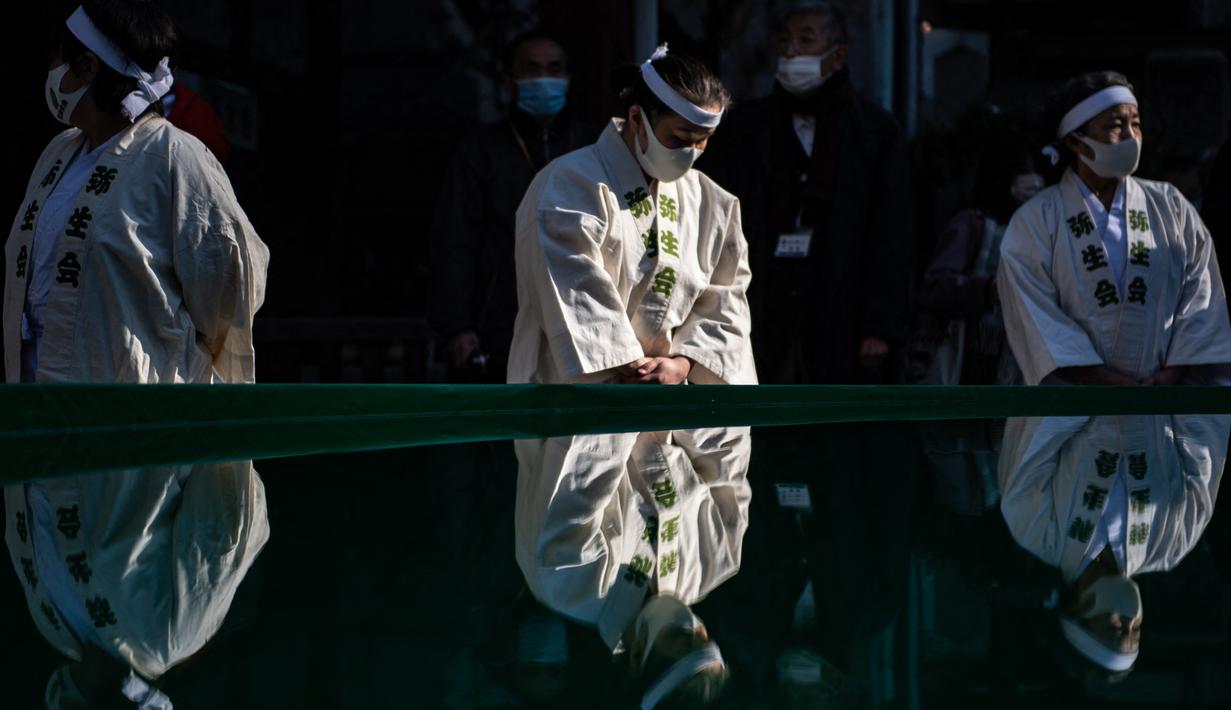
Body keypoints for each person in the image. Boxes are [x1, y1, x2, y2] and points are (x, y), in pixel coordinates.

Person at [4, 1, 267, 385]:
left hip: (130, 402)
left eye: (58, 59)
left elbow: (227, 291)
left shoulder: (175, 156)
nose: (49, 70)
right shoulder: (58, 153)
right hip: (39, 394)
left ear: (87, 68)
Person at [507, 45, 756, 386]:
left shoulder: (714, 202)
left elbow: (727, 301)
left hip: (678, 395)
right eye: (680, 138)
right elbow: (574, 289)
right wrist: (631, 364)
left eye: (704, 141)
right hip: (588, 392)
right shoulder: (569, 185)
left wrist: (684, 363)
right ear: (637, 118)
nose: (693, 152)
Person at [700, 1, 911, 384]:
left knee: (836, 425)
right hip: (762, 300)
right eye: (784, 41)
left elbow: (891, 233)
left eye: (805, 40)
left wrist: (879, 325)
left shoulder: (875, 132)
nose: (791, 51)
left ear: (838, 54)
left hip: (841, 301)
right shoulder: (746, 128)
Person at [997, 71, 1231, 385]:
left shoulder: (1171, 206)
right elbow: (1032, 310)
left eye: (1135, 124)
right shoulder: (1037, 219)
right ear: (1075, 141)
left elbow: (1202, 293)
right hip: (1075, 410)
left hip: (1159, 405)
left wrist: (1173, 372)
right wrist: (1097, 376)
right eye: (1115, 125)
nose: (1130, 136)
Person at [515, 427, 751, 708]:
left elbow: (582, 451)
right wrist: (683, 398)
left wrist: (641, 395)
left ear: (638, 656)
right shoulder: (713, 565)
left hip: (581, 392)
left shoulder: (568, 585)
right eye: (705, 635)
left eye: (681, 637)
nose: (695, 626)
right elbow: (726, 448)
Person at [998, 414, 1230, 677]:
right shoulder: (1170, 547)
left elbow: (1036, 433)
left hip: (1080, 377)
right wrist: (1179, 388)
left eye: (1117, 628)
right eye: (1136, 629)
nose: (1131, 620)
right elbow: (1202, 451)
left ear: (1076, 611)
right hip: (1167, 383)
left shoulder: (1034, 531)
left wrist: (1091, 388)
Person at [429, 30, 599, 382]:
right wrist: (457, 325)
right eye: (531, 69)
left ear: (567, 79)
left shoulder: (592, 145)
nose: (544, 79)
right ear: (510, 81)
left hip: (581, 319)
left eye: (554, 69)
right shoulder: (481, 149)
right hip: (497, 321)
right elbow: (455, 239)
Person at [916, 139, 1043, 384]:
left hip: (1012, 365)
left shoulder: (1034, 233)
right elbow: (935, 287)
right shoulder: (971, 225)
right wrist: (988, 289)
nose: (1034, 184)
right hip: (966, 361)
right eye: (1023, 175)